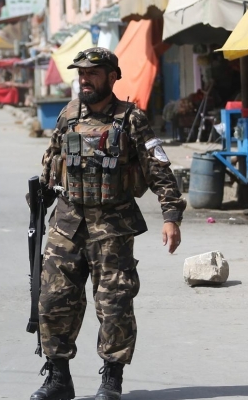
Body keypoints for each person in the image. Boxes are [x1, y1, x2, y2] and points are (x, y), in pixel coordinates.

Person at [29, 47, 185, 400]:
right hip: (66, 224)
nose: (86, 79)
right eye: (82, 74)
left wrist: (171, 215)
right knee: (53, 300)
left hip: (112, 226)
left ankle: (111, 380)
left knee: (114, 303)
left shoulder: (131, 119)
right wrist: (41, 194)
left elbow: (158, 167)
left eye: (94, 73)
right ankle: (58, 378)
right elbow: (52, 160)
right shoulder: (68, 116)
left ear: (113, 76)